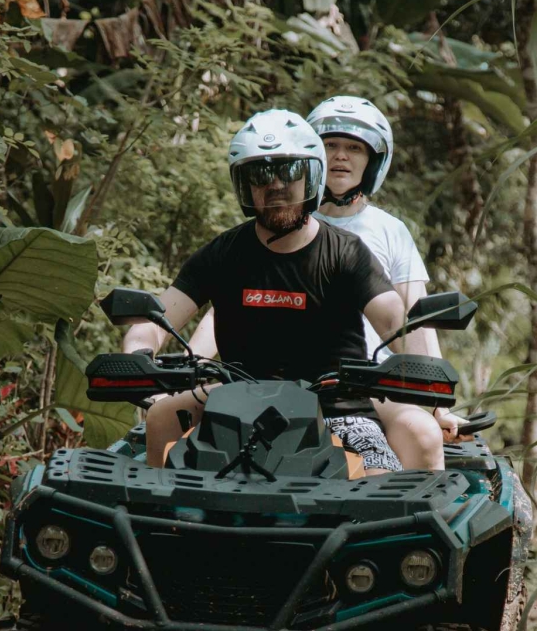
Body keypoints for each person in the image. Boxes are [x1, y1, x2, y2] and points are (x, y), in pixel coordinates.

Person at [120, 109, 408, 474]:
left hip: (337, 406)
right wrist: (138, 354)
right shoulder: (223, 252)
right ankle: (158, 507)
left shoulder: (347, 252)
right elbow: (156, 319)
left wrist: (413, 360)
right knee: (161, 415)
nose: (276, 185)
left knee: (380, 481)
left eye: (289, 172)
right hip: (234, 399)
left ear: (312, 177)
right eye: (260, 175)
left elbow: (393, 320)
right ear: (245, 185)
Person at [187, 96, 456, 469]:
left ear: (373, 160)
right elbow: (228, 305)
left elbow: (413, 318)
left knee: (422, 434)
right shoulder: (267, 227)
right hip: (263, 378)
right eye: (331, 145)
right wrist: (191, 366)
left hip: (367, 384)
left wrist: (438, 403)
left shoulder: (387, 231)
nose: (341, 156)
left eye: (354, 148)